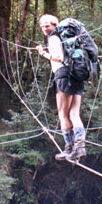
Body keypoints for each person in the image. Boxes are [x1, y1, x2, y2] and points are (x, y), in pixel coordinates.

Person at [37, 14, 86, 161]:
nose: (44, 28)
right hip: (77, 74)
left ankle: (70, 148)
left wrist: (43, 53)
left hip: (64, 75)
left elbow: (58, 57)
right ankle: (79, 148)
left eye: (47, 25)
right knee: (74, 113)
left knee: (63, 114)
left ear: (55, 25)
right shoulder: (67, 38)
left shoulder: (53, 37)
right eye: (42, 26)